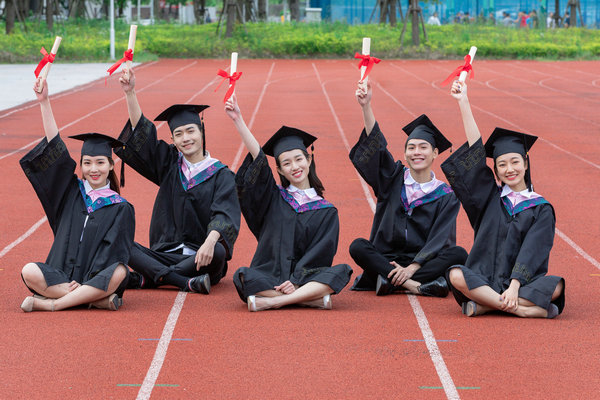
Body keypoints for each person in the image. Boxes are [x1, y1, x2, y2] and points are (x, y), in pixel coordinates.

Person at [441, 80, 565, 318]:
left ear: (526, 163)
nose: (510, 169)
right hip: (484, 278)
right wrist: (463, 102)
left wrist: (515, 284)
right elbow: (476, 155)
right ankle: (523, 311)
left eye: (515, 162)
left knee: (557, 286)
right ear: (495, 171)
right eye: (502, 164)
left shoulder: (541, 208)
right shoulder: (490, 198)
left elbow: (534, 250)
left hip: (521, 284)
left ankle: (488, 305)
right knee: (456, 275)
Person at [115, 68, 240, 294]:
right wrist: (130, 93)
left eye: (191, 131)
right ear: (172, 138)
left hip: (201, 256)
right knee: (119, 240)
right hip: (165, 251)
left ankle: (151, 277)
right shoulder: (170, 164)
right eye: (179, 134)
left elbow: (225, 214)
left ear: (201, 131)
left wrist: (210, 242)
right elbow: (144, 139)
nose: (186, 138)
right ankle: (181, 280)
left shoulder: (221, 175)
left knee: (219, 253)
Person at [224, 95, 353, 312]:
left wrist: (295, 281)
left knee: (341, 271)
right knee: (243, 276)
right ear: (280, 170)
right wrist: (238, 120)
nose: (294, 166)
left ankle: (275, 301)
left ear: (308, 160)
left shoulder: (326, 211)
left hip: (305, 278)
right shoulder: (274, 198)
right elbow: (259, 162)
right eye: (286, 163)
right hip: (270, 274)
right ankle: (309, 299)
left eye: (298, 159)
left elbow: (321, 254)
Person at [20, 78, 135, 312]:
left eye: (101, 163)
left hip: (95, 277)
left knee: (120, 272)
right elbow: (56, 148)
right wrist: (44, 102)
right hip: (62, 274)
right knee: (29, 270)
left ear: (112, 165)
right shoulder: (72, 192)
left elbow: (114, 252)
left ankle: (52, 304)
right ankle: (93, 300)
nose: (94, 169)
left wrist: (90, 278)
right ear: (81, 165)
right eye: (88, 163)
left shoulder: (121, 207)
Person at [348, 81, 468, 298]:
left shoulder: (446, 196)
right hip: (386, 256)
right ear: (404, 155)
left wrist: (413, 267)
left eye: (423, 147)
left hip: (421, 261)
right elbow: (377, 148)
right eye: (411, 148)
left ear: (434, 154)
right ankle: (414, 286)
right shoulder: (392, 179)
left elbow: (440, 237)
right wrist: (366, 106)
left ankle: (389, 280)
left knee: (459, 254)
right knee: (357, 246)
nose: (416, 152)